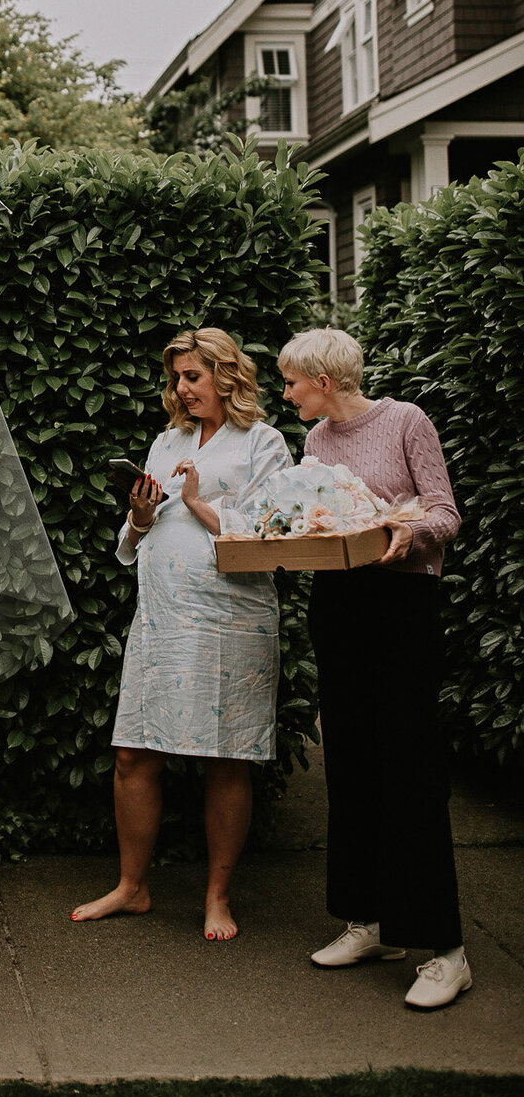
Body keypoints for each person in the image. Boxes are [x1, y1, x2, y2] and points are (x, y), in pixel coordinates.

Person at [72, 327, 292, 941]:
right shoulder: (167, 440)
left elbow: (275, 528)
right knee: (134, 751)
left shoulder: (264, 442)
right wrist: (141, 514)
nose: (181, 388)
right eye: (176, 378)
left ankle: (217, 897)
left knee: (227, 756)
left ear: (225, 376)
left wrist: (197, 502)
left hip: (231, 618)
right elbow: (140, 527)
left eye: (192, 376)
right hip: (163, 616)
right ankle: (131, 886)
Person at [278, 326, 468, 1010]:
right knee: (352, 761)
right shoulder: (316, 442)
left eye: (293, 381)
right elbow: (319, 518)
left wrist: (406, 533)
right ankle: (371, 923)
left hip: (402, 607)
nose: (287, 392)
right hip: (340, 606)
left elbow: (445, 513)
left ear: (323, 380)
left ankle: (447, 950)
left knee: (409, 768)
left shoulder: (406, 422)